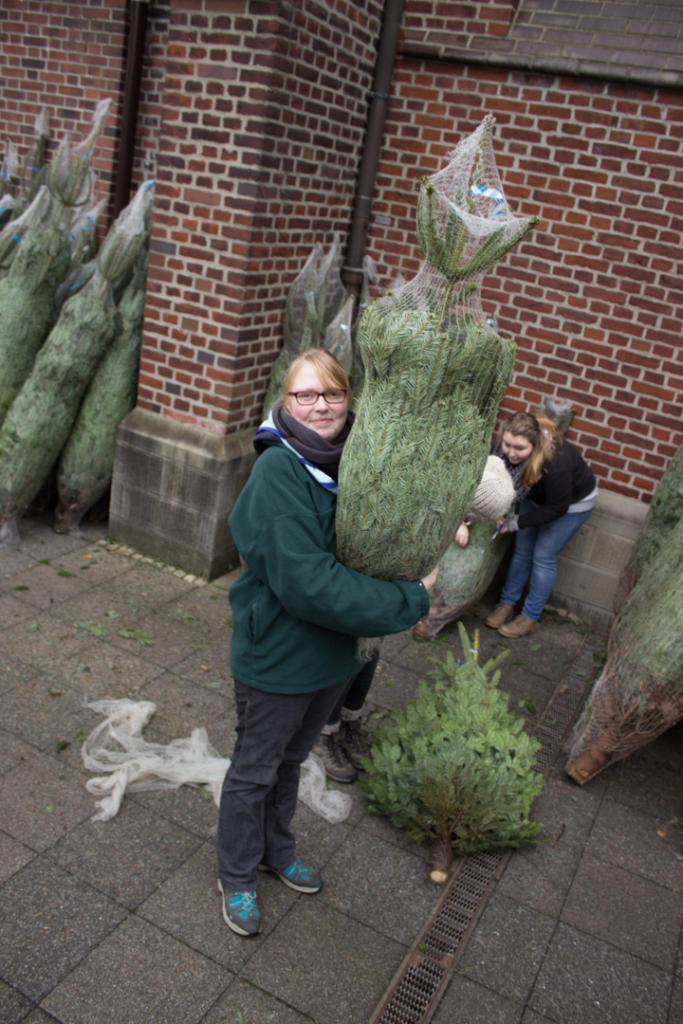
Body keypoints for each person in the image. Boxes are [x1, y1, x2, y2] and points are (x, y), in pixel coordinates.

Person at [217, 347, 438, 937]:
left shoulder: (356, 462)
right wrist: (410, 599)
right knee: (255, 768)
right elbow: (310, 585)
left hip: (334, 655)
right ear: (286, 401)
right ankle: (236, 875)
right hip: (279, 656)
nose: (321, 406)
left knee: (292, 760)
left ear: (348, 398)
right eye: (306, 394)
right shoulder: (279, 472)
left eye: (333, 393)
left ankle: (276, 850)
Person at [484, 411, 597, 638]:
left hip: (571, 505)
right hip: (532, 493)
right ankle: (507, 603)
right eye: (507, 445)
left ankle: (529, 616)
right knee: (522, 551)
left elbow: (557, 508)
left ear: (535, 446)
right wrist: (502, 511)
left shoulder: (556, 464)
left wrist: (516, 523)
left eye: (519, 448)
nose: (511, 453)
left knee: (543, 557)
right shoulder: (501, 451)